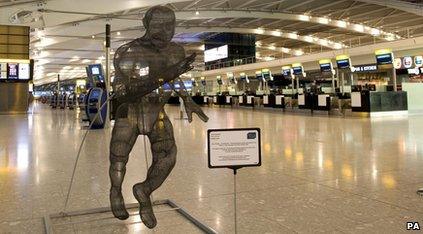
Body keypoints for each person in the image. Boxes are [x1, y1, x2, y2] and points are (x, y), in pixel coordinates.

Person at [109, 6, 208, 229]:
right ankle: (115, 191)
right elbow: (125, 94)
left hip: (157, 112)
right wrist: (168, 74)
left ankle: (144, 190)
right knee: (118, 157)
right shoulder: (128, 52)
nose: (166, 31)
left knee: (168, 156)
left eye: (170, 25)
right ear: (146, 24)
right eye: (159, 25)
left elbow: (174, 78)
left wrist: (186, 98)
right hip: (130, 113)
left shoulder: (175, 51)